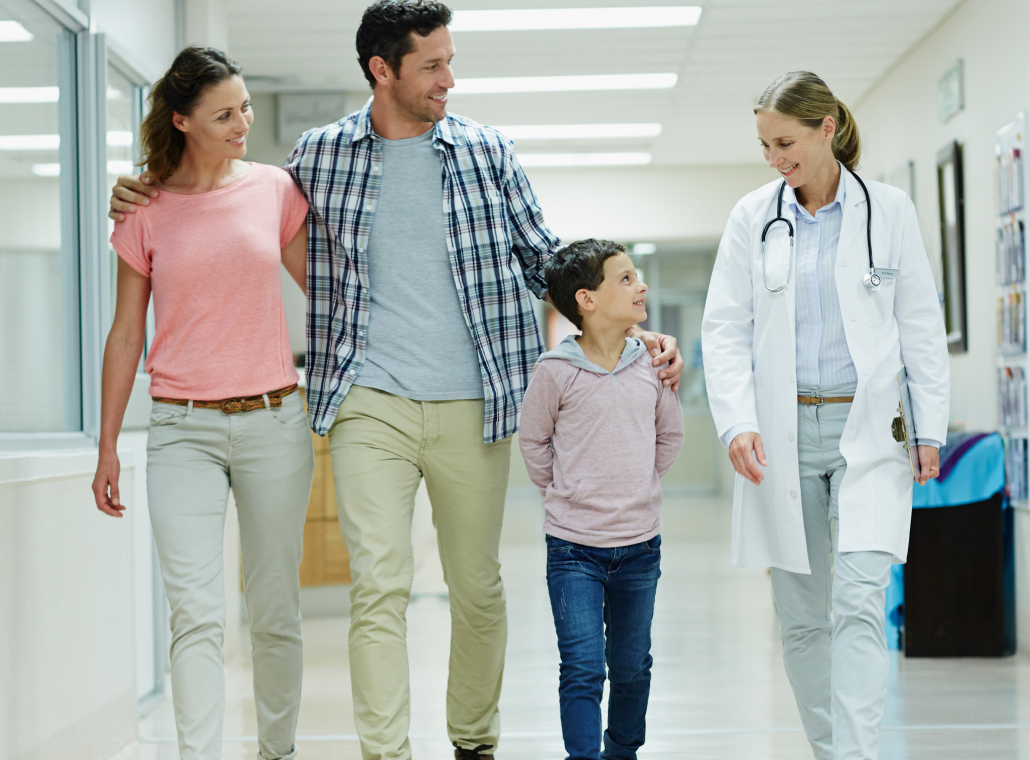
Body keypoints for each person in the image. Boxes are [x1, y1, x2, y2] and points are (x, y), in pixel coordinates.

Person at [107, 3, 683, 759]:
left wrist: (629, 328)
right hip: (367, 400)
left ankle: (473, 740)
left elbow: (549, 259)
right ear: (383, 70)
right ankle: (386, 751)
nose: (450, 77)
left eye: (450, 60)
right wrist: (138, 186)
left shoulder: (486, 150)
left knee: (475, 587)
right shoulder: (320, 156)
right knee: (378, 585)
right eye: (433, 65)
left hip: (473, 398)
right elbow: (214, 198)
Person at [700, 71, 951, 760]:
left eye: (785, 142)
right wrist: (735, 421)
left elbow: (920, 325)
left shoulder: (889, 211)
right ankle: (832, 749)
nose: (775, 157)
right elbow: (723, 328)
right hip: (783, 434)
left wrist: (930, 426)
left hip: (868, 432)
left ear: (826, 129)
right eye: (764, 145)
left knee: (863, 601)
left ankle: (856, 755)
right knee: (803, 618)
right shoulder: (754, 217)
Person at [91, 47, 312, 760]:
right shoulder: (146, 210)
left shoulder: (275, 190)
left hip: (274, 422)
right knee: (195, 613)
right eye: (224, 114)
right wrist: (107, 447)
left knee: (275, 611)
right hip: (180, 432)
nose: (243, 122)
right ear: (181, 120)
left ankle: (278, 752)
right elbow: (127, 334)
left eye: (244, 106)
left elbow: (332, 298)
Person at [518, 240, 684, 760]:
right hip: (573, 551)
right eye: (627, 279)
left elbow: (669, 438)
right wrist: (569, 495)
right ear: (587, 300)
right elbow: (533, 443)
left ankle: (623, 750)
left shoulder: (653, 367)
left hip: (640, 548)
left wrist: (634, 488)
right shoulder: (554, 371)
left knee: (632, 664)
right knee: (584, 666)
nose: (642, 287)